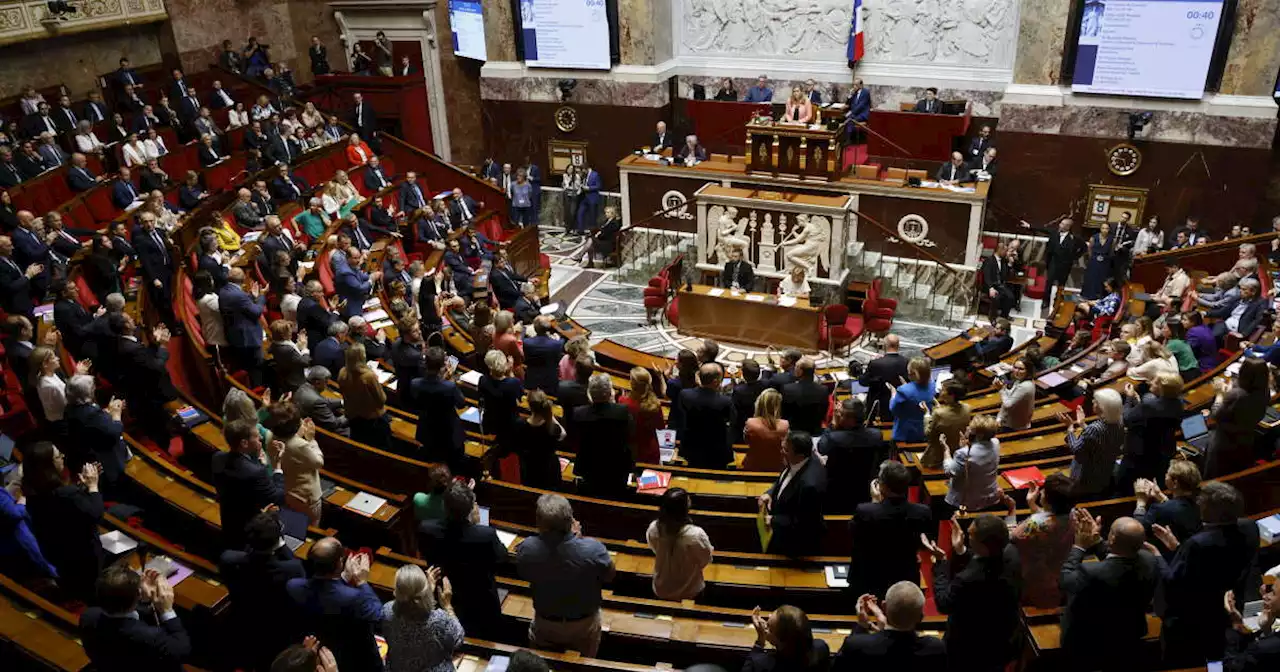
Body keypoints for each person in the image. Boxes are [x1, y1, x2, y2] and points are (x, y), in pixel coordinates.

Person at [1155, 481, 1261, 665]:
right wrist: (1178, 549)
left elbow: (1174, 581)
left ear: (1211, 511)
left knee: (1181, 662)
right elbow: (1209, 566)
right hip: (1225, 611)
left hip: (1190, 619)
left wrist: (1157, 557)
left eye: (1201, 504)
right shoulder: (1250, 527)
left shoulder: (1197, 544)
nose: (1198, 506)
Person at [1058, 511, 1161, 670]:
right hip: (1129, 633)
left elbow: (1065, 580)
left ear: (1112, 538)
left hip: (1090, 640)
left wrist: (1079, 546)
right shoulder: (1151, 561)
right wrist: (1097, 540)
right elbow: (1119, 557)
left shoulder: (1092, 572)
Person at [516, 494, 615, 657]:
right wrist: (579, 540)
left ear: (539, 523)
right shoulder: (593, 549)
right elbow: (610, 575)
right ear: (571, 521)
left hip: (545, 623)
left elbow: (524, 572)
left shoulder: (527, 548)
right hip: (583, 625)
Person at [928, 514, 1022, 672]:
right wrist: (961, 550)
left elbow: (944, 603)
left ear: (984, 546)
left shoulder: (968, 579)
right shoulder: (1012, 553)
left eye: (970, 535)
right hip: (1000, 638)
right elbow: (984, 561)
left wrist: (941, 564)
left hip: (968, 645)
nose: (967, 536)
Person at [218, 511, 307, 672]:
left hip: (243, 620)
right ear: (278, 540)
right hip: (277, 629)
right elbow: (295, 568)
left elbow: (246, 556)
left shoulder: (228, 559)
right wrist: (282, 545)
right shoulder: (291, 569)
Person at [417, 482, 505, 638]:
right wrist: (477, 526)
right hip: (481, 601)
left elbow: (426, 553)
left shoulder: (426, 529)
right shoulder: (486, 535)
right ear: (471, 510)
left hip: (446, 595)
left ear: (444, 506)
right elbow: (500, 558)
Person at [286, 537, 383, 672]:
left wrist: (343, 579)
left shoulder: (293, 587)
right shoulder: (354, 598)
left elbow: (328, 592)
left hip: (313, 656)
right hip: (351, 662)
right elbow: (378, 615)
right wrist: (362, 582)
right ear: (339, 563)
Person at [22, 442, 104, 600]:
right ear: (49, 466)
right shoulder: (67, 494)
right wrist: (93, 486)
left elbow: (65, 509)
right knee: (92, 593)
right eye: (58, 456)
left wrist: (80, 489)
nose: (63, 457)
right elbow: (96, 514)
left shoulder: (33, 494)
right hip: (85, 558)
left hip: (60, 556)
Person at [79, 565, 191, 672]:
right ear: (139, 593)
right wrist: (167, 610)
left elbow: (121, 607)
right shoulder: (150, 636)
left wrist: (145, 600)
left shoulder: (88, 616)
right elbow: (182, 650)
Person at [846, 459, 931, 599]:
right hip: (904, 579)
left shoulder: (865, 511)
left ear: (883, 486)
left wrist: (875, 502)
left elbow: (854, 534)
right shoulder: (922, 512)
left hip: (869, 578)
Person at [831, 581, 945, 670]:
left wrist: (862, 625)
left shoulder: (855, 645)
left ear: (884, 607)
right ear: (921, 617)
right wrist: (883, 629)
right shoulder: (936, 648)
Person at [212, 419, 285, 550]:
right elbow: (277, 496)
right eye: (257, 436)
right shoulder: (256, 472)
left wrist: (257, 462)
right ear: (244, 443)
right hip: (250, 529)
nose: (261, 438)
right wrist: (278, 467)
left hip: (229, 519)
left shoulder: (218, 457)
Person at [1008, 473, 1076, 608]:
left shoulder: (1036, 524)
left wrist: (1012, 510)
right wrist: (1032, 504)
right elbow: (1051, 518)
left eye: (1044, 492)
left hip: (1034, 575)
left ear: (1047, 499)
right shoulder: (1072, 515)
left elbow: (1013, 536)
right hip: (1059, 568)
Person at [381, 563, 463, 672]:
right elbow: (458, 639)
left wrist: (427, 593)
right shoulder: (438, 619)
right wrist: (447, 606)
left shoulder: (387, 610)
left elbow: (410, 605)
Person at [759, 431, 827, 557]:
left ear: (800, 455)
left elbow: (805, 523)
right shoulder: (798, 461)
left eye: (786, 449)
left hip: (795, 547)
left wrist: (774, 520)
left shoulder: (810, 485)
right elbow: (783, 479)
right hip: (780, 534)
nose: (781, 451)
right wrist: (770, 493)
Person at [817, 397, 887, 514]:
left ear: (851, 420)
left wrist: (834, 423)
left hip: (836, 489)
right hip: (864, 487)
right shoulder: (876, 435)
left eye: (842, 414)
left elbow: (821, 448)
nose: (839, 416)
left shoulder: (834, 438)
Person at [1117, 373, 1184, 492]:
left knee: (1124, 486)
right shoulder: (1179, 404)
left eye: (1154, 381)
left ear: (1162, 388)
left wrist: (1129, 398)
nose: (1150, 382)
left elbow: (1126, 418)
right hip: (1161, 453)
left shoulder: (1150, 405)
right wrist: (1138, 404)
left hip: (1139, 456)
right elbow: (1149, 420)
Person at [1205, 357, 1269, 477]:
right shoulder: (1265, 391)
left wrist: (1220, 395)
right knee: (1235, 475)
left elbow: (1215, 415)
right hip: (1246, 439)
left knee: (1215, 476)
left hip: (1224, 442)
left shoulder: (1237, 395)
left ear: (1243, 372)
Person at [574, 373, 634, 496]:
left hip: (589, 468)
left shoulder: (579, 413)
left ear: (590, 393)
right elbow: (629, 436)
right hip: (616, 468)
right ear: (609, 393)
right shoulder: (622, 411)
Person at [411, 347, 467, 472]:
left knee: (434, 464)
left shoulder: (415, 383)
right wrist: (450, 380)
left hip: (428, 430)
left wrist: (444, 379)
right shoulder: (449, 386)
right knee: (454, 467)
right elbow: (461, 403)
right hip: (449, 433)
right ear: (443, 365)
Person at [1134, 460, 1203, 559]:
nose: (1165, 476)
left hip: (1168, 559)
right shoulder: (1201, 502)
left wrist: (1140, 502)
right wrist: (1161, 497)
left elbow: (1137, 532)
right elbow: (1179, 510)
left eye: (1167, 474)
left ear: (1175, 483)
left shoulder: (1159, 509)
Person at [1064, 388, 1125, 499]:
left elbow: (1075, 448)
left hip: (1087, 474)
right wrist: (1082, 424)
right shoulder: (1120, 421)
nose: (1092, 402)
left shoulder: (1094, 428)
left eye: (1095, 401)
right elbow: (1099, 439)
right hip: (1105, 469)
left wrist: (1070, 428)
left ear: (1102, 407)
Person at [677, 363, 735, 469]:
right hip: (716, 452)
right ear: (716, 382)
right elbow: (730, 421)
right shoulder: (725, 401)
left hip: (691, 448)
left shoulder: (685, 395)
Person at [941, 414, 1003, 512]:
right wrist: (966, 447)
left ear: (979, 435)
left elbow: (949, 472)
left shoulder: (963, 453)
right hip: (990, 496)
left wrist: (946, 451)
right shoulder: (995, 443)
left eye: (970, 428)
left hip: (968, 502)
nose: (967, 428)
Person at [744, 604, 829, 671]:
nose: (769, 616)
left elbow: (750, 664)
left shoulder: (760, 664)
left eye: (768, 627)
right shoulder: (821, 648)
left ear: (778, 643)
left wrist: (760, 639)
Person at [510, 389, 565, 489]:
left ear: (529, 406)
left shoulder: (519, 425)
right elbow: (563, 434)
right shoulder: (552, 427)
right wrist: (550, 416)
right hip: (549, 468)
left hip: (529, 467)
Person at [620, 366, 664, 464]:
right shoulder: (655, 403)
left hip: (631, 450)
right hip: (650, 451)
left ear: (632, 384)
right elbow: (661, 427)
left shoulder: (623, 402)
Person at [921, 379, 969, 469]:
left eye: (943, 390)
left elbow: (928, 434)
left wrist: (927, 414)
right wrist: (940, 408)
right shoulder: (967, 408)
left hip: (938, 456)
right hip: (956, 452)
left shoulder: (939, 413)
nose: (940, 391)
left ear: (952, 395)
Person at [888, 357, 932, 443]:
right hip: (924, 431)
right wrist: (906, 385)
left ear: (912, 374)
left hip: (905, 434)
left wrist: (893, 393)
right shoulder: (932, 386)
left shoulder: (903, 390)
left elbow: (893, 409)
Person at [780, 356, 827, 435]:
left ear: (800, 371)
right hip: (814, 430)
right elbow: (823, 413)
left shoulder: (787, 389)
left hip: (793, 430)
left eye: (796, 367)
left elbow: (784, 413)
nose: (794, 369)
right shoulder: (823, 390)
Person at [997, 358, 1035, 431]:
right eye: (1015, 368)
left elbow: (1008, 404)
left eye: (1021, 369)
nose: (1016, 371)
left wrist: (1001, 389)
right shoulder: (1020, 380)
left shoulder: (1025, 386)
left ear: (1028, 371)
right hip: (1007, 420)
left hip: (1013, 426)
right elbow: (1011, 395)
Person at [1082, 221, 1116, 299]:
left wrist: (1106, 258)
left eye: (1107, 228)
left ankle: (1100, 295)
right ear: (1100, 229)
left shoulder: (1112, 239)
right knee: (1091, 277)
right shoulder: (1094, 237)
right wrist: (1092, 258)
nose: (1105, 230)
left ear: (1109, 229)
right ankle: (1087, 295)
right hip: (1094, 260)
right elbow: (1089, 249)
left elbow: (1111, 252)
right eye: (1103, 228)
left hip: (1105, 261)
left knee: (1102, 278)